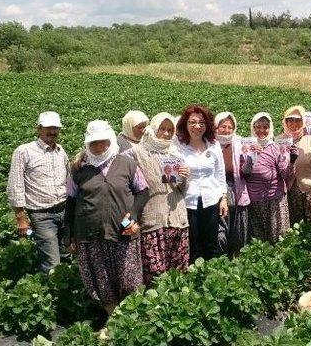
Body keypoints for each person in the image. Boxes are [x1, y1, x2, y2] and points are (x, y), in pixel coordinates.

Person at [65, 120, 148, 314]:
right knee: (101, 280)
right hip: (90, 233)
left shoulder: (127, 163)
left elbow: (143, 192)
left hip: (122, 230)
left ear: (111, 140)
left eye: (103, 142)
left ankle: (129, 318)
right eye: (94, 143)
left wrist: (134, 215)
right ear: (87, 144)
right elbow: (70, 201)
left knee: (128, 278)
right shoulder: (79, 168)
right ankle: (112, 318)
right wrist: (68, 234)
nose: (99, 147)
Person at [128, 112, 191, 286]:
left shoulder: (175, 154)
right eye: (162, 129)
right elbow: (116, 164)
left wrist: (185, 178)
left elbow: (181, 190)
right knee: (154, 274)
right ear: (153, 129)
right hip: (152, 221)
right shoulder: (137, 153)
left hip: (178, 219)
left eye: (170, 130)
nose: (166, 133)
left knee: (178, 272)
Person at [6, 111, 70, 273]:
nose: (52, 132)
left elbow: (69, 179)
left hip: (64, 210)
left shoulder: (61, 151)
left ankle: (68, 293)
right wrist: (21, 218)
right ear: (39, 129)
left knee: (67, 254)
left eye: (55, 128)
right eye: (48, 128)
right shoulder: (24, 151)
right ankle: (52, 294)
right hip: (42, 215)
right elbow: (15, 185)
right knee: (52, 263)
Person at [177, 104, 228, 262]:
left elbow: (220, 173)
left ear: (207, 125)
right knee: (192, 243)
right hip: (187, 201)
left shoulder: (214, 145)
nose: (197, 126)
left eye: (202, 123)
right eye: (192, 122)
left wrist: (223, 198)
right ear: (185, 124)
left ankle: (210, 276)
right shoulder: (178, 146)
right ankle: (193, 278)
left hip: (210, 200)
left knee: (210, 242)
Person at [241, 112, 295, 244]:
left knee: (279, 238)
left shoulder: (276, 147)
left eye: (265, 127)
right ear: (253, 128)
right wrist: (251, 157)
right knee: (259, 240)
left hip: (275, 200)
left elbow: (286, 174)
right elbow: (245, 173)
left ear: (270, 129)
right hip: (255, 201)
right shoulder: (246, 147)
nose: (261, 131)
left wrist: (292, 160)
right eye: (258, 127)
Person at [214, 112, 250, 256]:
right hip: (218, 192)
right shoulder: (210, 144)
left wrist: (251, 159)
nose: (227, 130)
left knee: (237, 229)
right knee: (221, 228)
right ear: (216, 127)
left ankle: (235, 258)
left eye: (230, 127)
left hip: (237, 189)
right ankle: (221, 257)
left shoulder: (240, 142)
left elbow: (246, 171)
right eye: (223, 126)